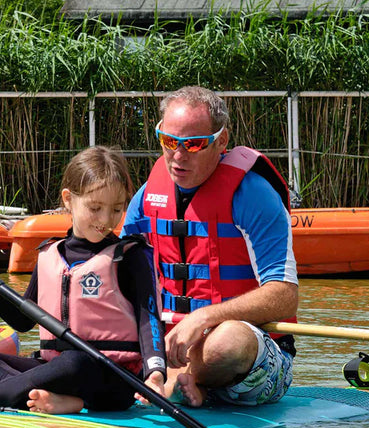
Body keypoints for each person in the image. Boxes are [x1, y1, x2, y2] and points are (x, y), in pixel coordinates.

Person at [0, 146, 167, 415]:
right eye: (95, 208)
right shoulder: (50, 253)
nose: (106, 220)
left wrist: (156, 372)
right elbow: (24, 321)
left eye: (116, 209)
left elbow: (150, 321)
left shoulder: (128, 258)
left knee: (75, 363)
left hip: (112, 378)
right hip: (55, 371)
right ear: (68, 199)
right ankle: (56, 400)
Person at [121, 85, 298, 407]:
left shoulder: (255, 196)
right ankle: (182, 381)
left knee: (226, 341)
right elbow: (117, 268)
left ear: (222, 141)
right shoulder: (149, 195)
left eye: (194, 145)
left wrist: (201, 319)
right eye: (169, 141)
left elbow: (285, 296)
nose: (177, 155)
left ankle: (181, 379)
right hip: (165, 348)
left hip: (245, 360)